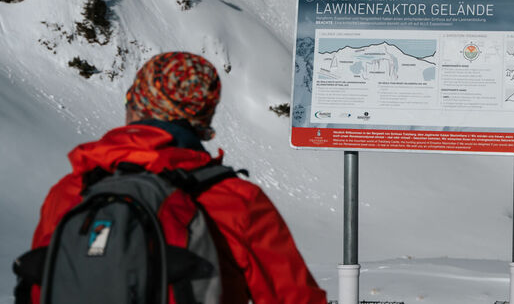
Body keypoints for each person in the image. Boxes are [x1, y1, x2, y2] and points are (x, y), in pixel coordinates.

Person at [28, 51, 328, 304]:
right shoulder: (236, 201)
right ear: (204, 118)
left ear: (134, 103)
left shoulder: (71, 192)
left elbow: (37, 288)